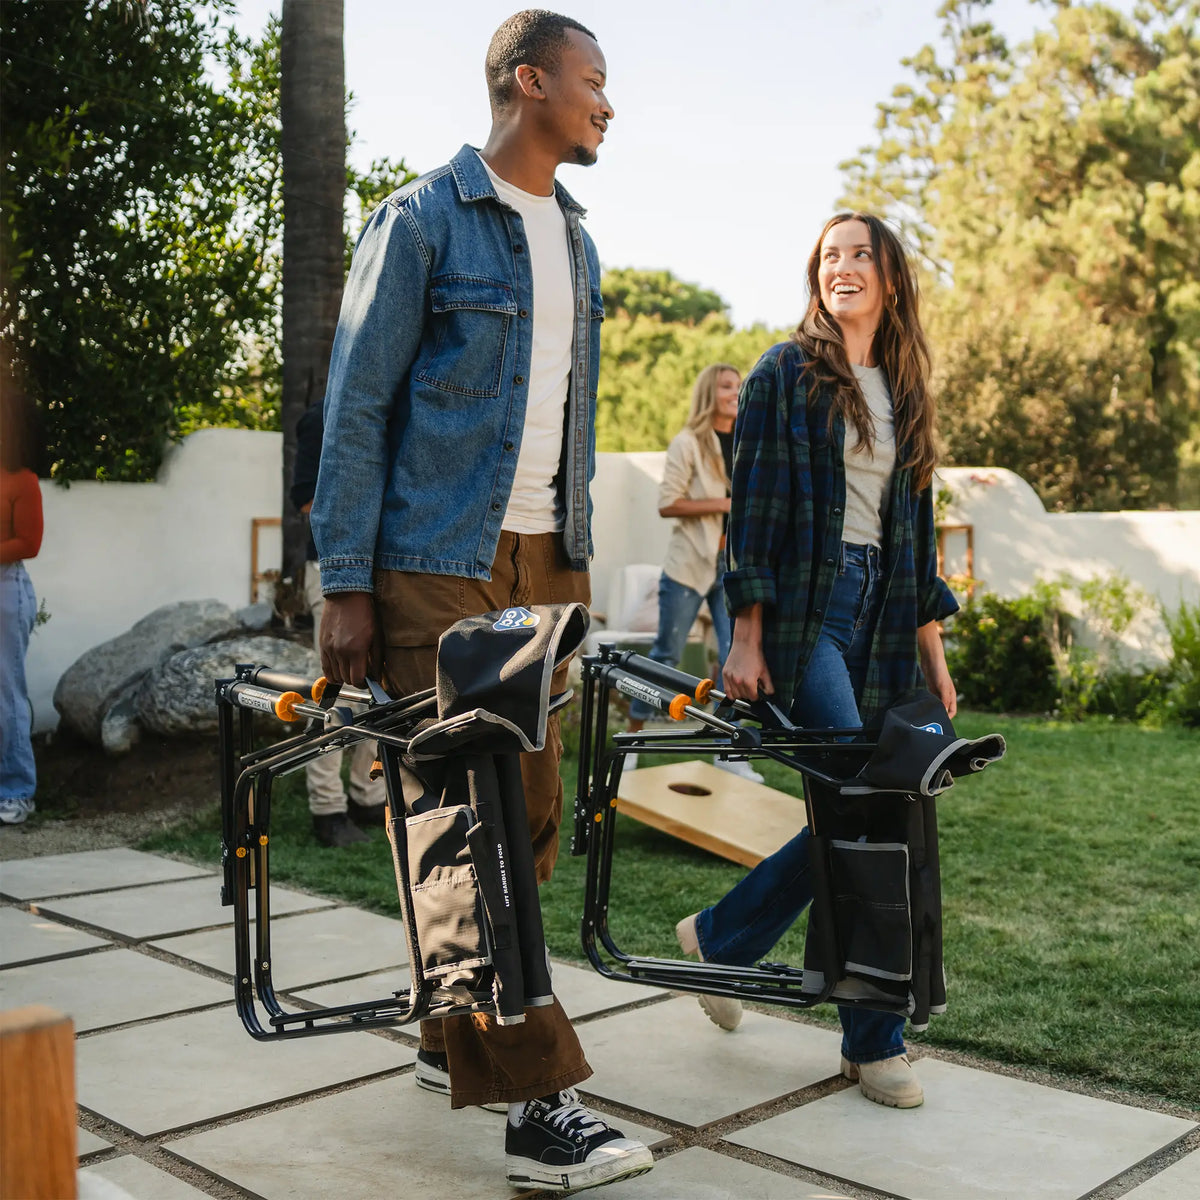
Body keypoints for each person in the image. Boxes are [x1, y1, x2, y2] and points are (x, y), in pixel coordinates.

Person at [310, 10, 653, 1193]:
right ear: (529, 80)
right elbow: (355, 408)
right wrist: (344, 582)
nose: (609, 102)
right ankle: (534, 1106)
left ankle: (448, 1023)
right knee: (472, 832)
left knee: (535, 816)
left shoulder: (581, 240)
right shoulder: (421, 221)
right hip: (435, 561)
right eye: (594, 80)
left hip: (540, 562)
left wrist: (576, 561)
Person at [674, 213, 959, 1108]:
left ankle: (722, 941)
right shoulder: (781, 374)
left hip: (883, 618)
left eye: (859, 255)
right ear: (816, 276)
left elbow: (913, 539)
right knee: (863, 813)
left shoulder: (905, 389)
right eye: (829, 256)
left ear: (890, 278)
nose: (842, 268)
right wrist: (745, 637)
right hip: (808, 612)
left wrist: (933, 652)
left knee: (879, 813)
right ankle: (876, 1044)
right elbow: (752, 515)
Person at [624, 363, 762, 783]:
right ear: (709, 393)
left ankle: (728, 750)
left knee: (732, 660)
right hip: (689, 565)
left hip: (731, 568)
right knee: (666, 654)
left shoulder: (747, 440)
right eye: (726, 386)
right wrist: (726, 504)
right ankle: (632, 740)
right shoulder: (687, 443)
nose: (734, 393)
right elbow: (668, 503)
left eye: (738, 386)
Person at [290, 403, 386, 848]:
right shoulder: (319, 419)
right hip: (332, 573)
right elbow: (309, 501)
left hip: (386, 572)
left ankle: (368, 796)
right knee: (333, 693)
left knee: (380, 693)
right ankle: (327, 809)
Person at [0, 377, 44, 826]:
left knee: (6, 693)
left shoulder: (22, 480)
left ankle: (16, 791)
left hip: (5, 591)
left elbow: (28, 542)